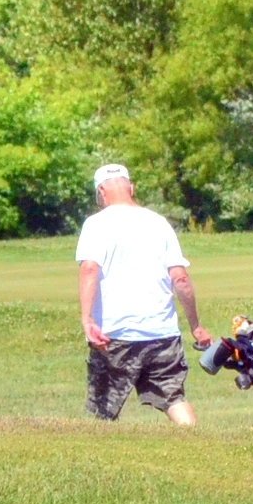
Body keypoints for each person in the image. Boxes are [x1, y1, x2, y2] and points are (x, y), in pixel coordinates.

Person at [75, 163, 212, 425]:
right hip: (162, 334)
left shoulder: (96, 224)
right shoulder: (159, 223)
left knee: (101, 409)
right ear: (131, 188)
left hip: (114, 334)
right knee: (173, 397)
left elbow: (89, 269)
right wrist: (195, 326)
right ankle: (194, 439)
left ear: (101, 192)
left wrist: (87, 320)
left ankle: (99, 457)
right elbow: (180, 279)